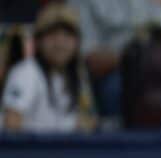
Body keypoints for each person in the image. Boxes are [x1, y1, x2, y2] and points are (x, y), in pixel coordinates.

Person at [1, 3, 96, 134]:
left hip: (62, 151)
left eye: (67, 35)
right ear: (38, 41)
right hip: (31, 151)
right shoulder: (26, 72)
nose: (60, 43)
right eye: (52, 34)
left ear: (77, 42)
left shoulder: (78, 74)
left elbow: (87, 122)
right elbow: (11, 124)